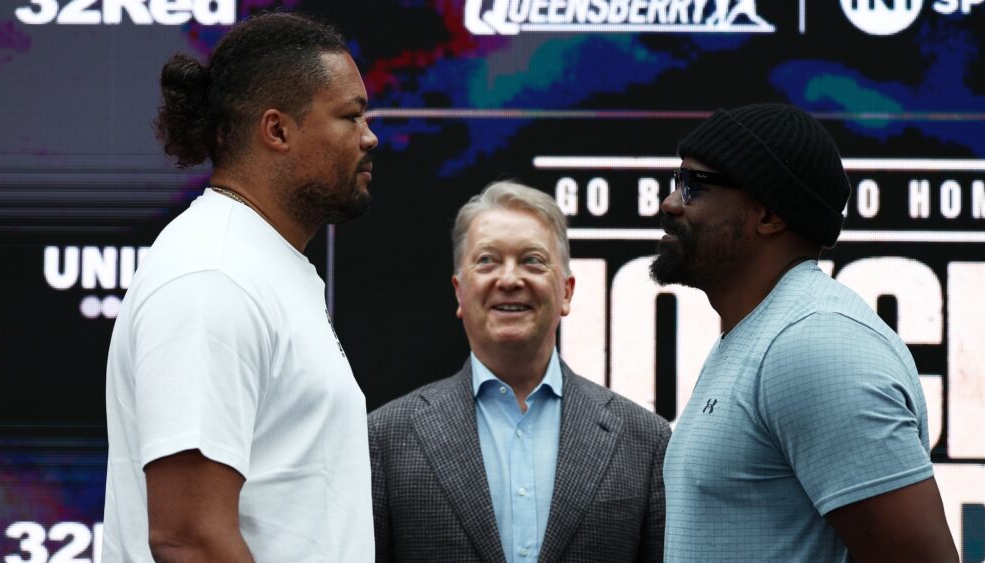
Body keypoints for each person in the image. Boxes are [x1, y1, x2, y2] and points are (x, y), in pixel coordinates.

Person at [102, 12, 378, 562]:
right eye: (350, 117)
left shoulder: (257, 264)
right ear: (277, 130)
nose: (369, 137)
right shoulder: (212, 276)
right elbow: (189, 539)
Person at [651, 103, 958, 562]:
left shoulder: (813, 344)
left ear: (770, 215)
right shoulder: (762, 334)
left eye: (695, 185)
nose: (671, 202)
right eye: (678, 181)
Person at [369, 181, 670, 562]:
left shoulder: (645, 441)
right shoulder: (385, 440)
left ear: (567, 292)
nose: (510, 279)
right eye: (487, 261)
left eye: (532, 260)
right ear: (459, 292)